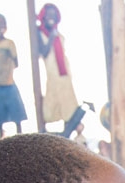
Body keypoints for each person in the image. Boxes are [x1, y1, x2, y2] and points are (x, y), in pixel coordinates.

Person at [36, 3, 86, 138]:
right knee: (50, 107)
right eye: (48, 15)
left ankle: (70, 132)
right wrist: (51, 37)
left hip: (64, 74)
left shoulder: (58, 34)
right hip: (52, 74)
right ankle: (49, 135)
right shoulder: (41, 34)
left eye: (54, 15)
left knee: (68, 107)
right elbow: (43, 52)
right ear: (43, 17)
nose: (51, 18)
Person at [0, 13, 28, 136]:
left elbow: (16, 63)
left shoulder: (10, 43)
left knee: (17, 116)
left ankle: (20, 140)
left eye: (3, 23)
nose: (1, 26)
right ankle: (0, 141)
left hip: (9, 83)